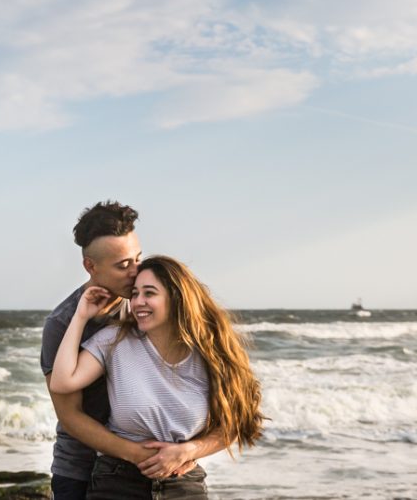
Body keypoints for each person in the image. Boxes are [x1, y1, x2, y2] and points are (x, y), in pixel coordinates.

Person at [40, 202, 228, 500]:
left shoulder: (151, 307)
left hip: (160, 473)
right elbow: (70, 415)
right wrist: (142, 456)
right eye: (122, 265)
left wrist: (184, 452)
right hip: (80, 468)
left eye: (137, 258)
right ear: (91, 266)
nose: (135, 272)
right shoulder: (63, 323)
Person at [50, 254, 265, 499]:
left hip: (183, 484)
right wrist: (80, 316)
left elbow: (235, 422)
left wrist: (188, 450)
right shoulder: (114, 340)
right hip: (118, 481)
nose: (138, 302)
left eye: (149, 293)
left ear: (176, 297)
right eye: (134, 294)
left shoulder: (212, 351)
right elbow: (62, 381)